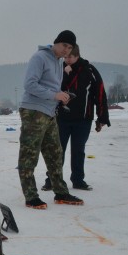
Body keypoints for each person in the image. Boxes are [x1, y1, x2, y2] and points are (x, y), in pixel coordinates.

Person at [18, 30, 83, 209]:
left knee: (55, 153)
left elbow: (51, 87)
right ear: (56, 43)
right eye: (64, 46)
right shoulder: (40, 58)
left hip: (49, 112)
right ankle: (31, 196)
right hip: (33, 111)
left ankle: (61, 192)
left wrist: (62, 96)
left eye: (70, 48)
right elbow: (30, 84)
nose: (67, 50)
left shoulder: (59, 62)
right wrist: (55, 95)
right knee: (29, 154)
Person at [42, 44, 110, 191]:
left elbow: (99, 94)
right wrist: (65, 74)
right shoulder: (59, 69)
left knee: (78, 151)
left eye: (70, 57)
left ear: (77, 55)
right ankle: (52, 179)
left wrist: (102, 117)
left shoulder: (89, 70)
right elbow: (52, 89)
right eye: (65, 57)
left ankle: (78, 180)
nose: (67, 60)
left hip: (83, 119)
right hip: (62, 118)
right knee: (57, 151)